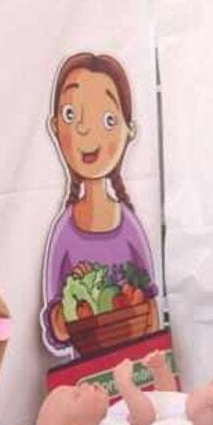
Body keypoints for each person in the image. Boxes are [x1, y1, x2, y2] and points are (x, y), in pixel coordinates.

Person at [39, 52, 160, 358]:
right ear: (55, 126)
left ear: (128, 130)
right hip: (89, 381)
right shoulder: (64, 232)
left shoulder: (130, 225)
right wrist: (70, 317)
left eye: (107, 120)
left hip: (137, 372)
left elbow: (151, 305)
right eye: (71, 116)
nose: (85, 131)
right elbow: (55, 329)